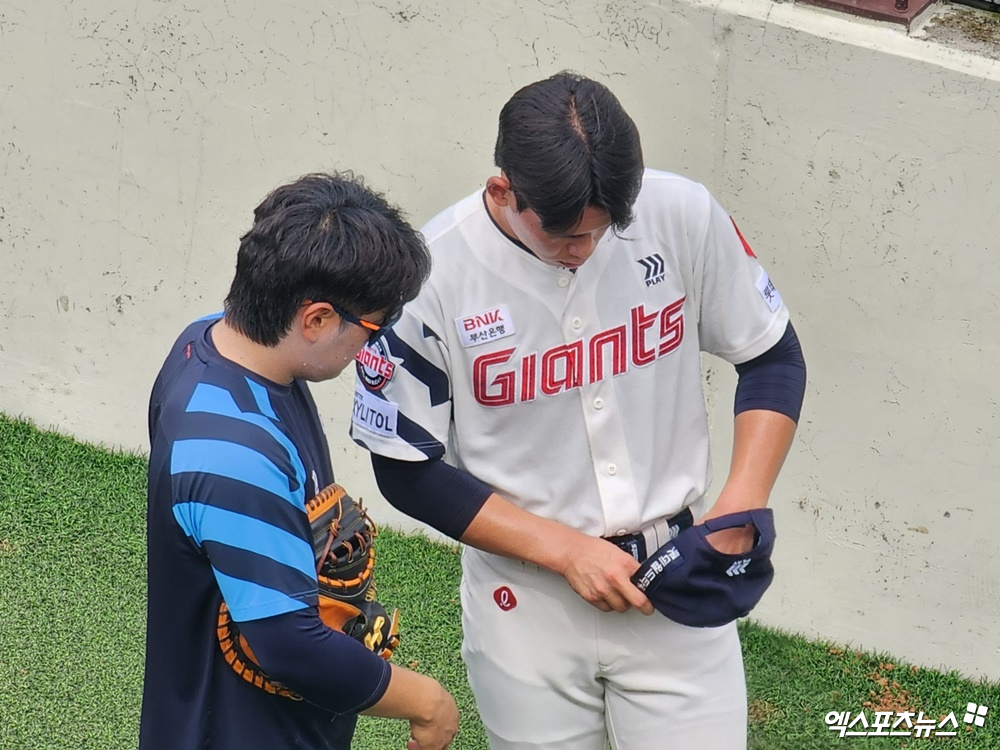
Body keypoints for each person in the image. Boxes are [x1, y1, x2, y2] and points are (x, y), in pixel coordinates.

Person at [350, 72, 807, 749]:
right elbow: (405, 468)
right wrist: (565, 550)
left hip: (675, 583)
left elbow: (772, 357)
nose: (586, 248)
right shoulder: (429, 275)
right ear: (503, 189)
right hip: (525, 603)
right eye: (566, 233)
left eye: (603, 229)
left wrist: (742, 504)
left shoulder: (679, 212)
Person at [141, 173, 459, 750]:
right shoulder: (231, 453)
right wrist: (427, 702)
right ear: (314, 320)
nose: (375, 342)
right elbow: (288, 645)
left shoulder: (208, 343)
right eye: (374, 325)